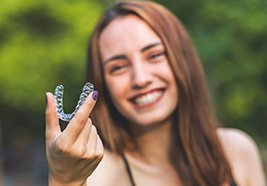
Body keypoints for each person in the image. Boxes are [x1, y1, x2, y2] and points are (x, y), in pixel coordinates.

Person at [45, 1, 266, 186]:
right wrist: (65, 180)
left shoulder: (236, 151)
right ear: (101, 84)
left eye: (154, 55)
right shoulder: (98, 173)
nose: (141, 79)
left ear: (183, 59)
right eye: (118, 67)